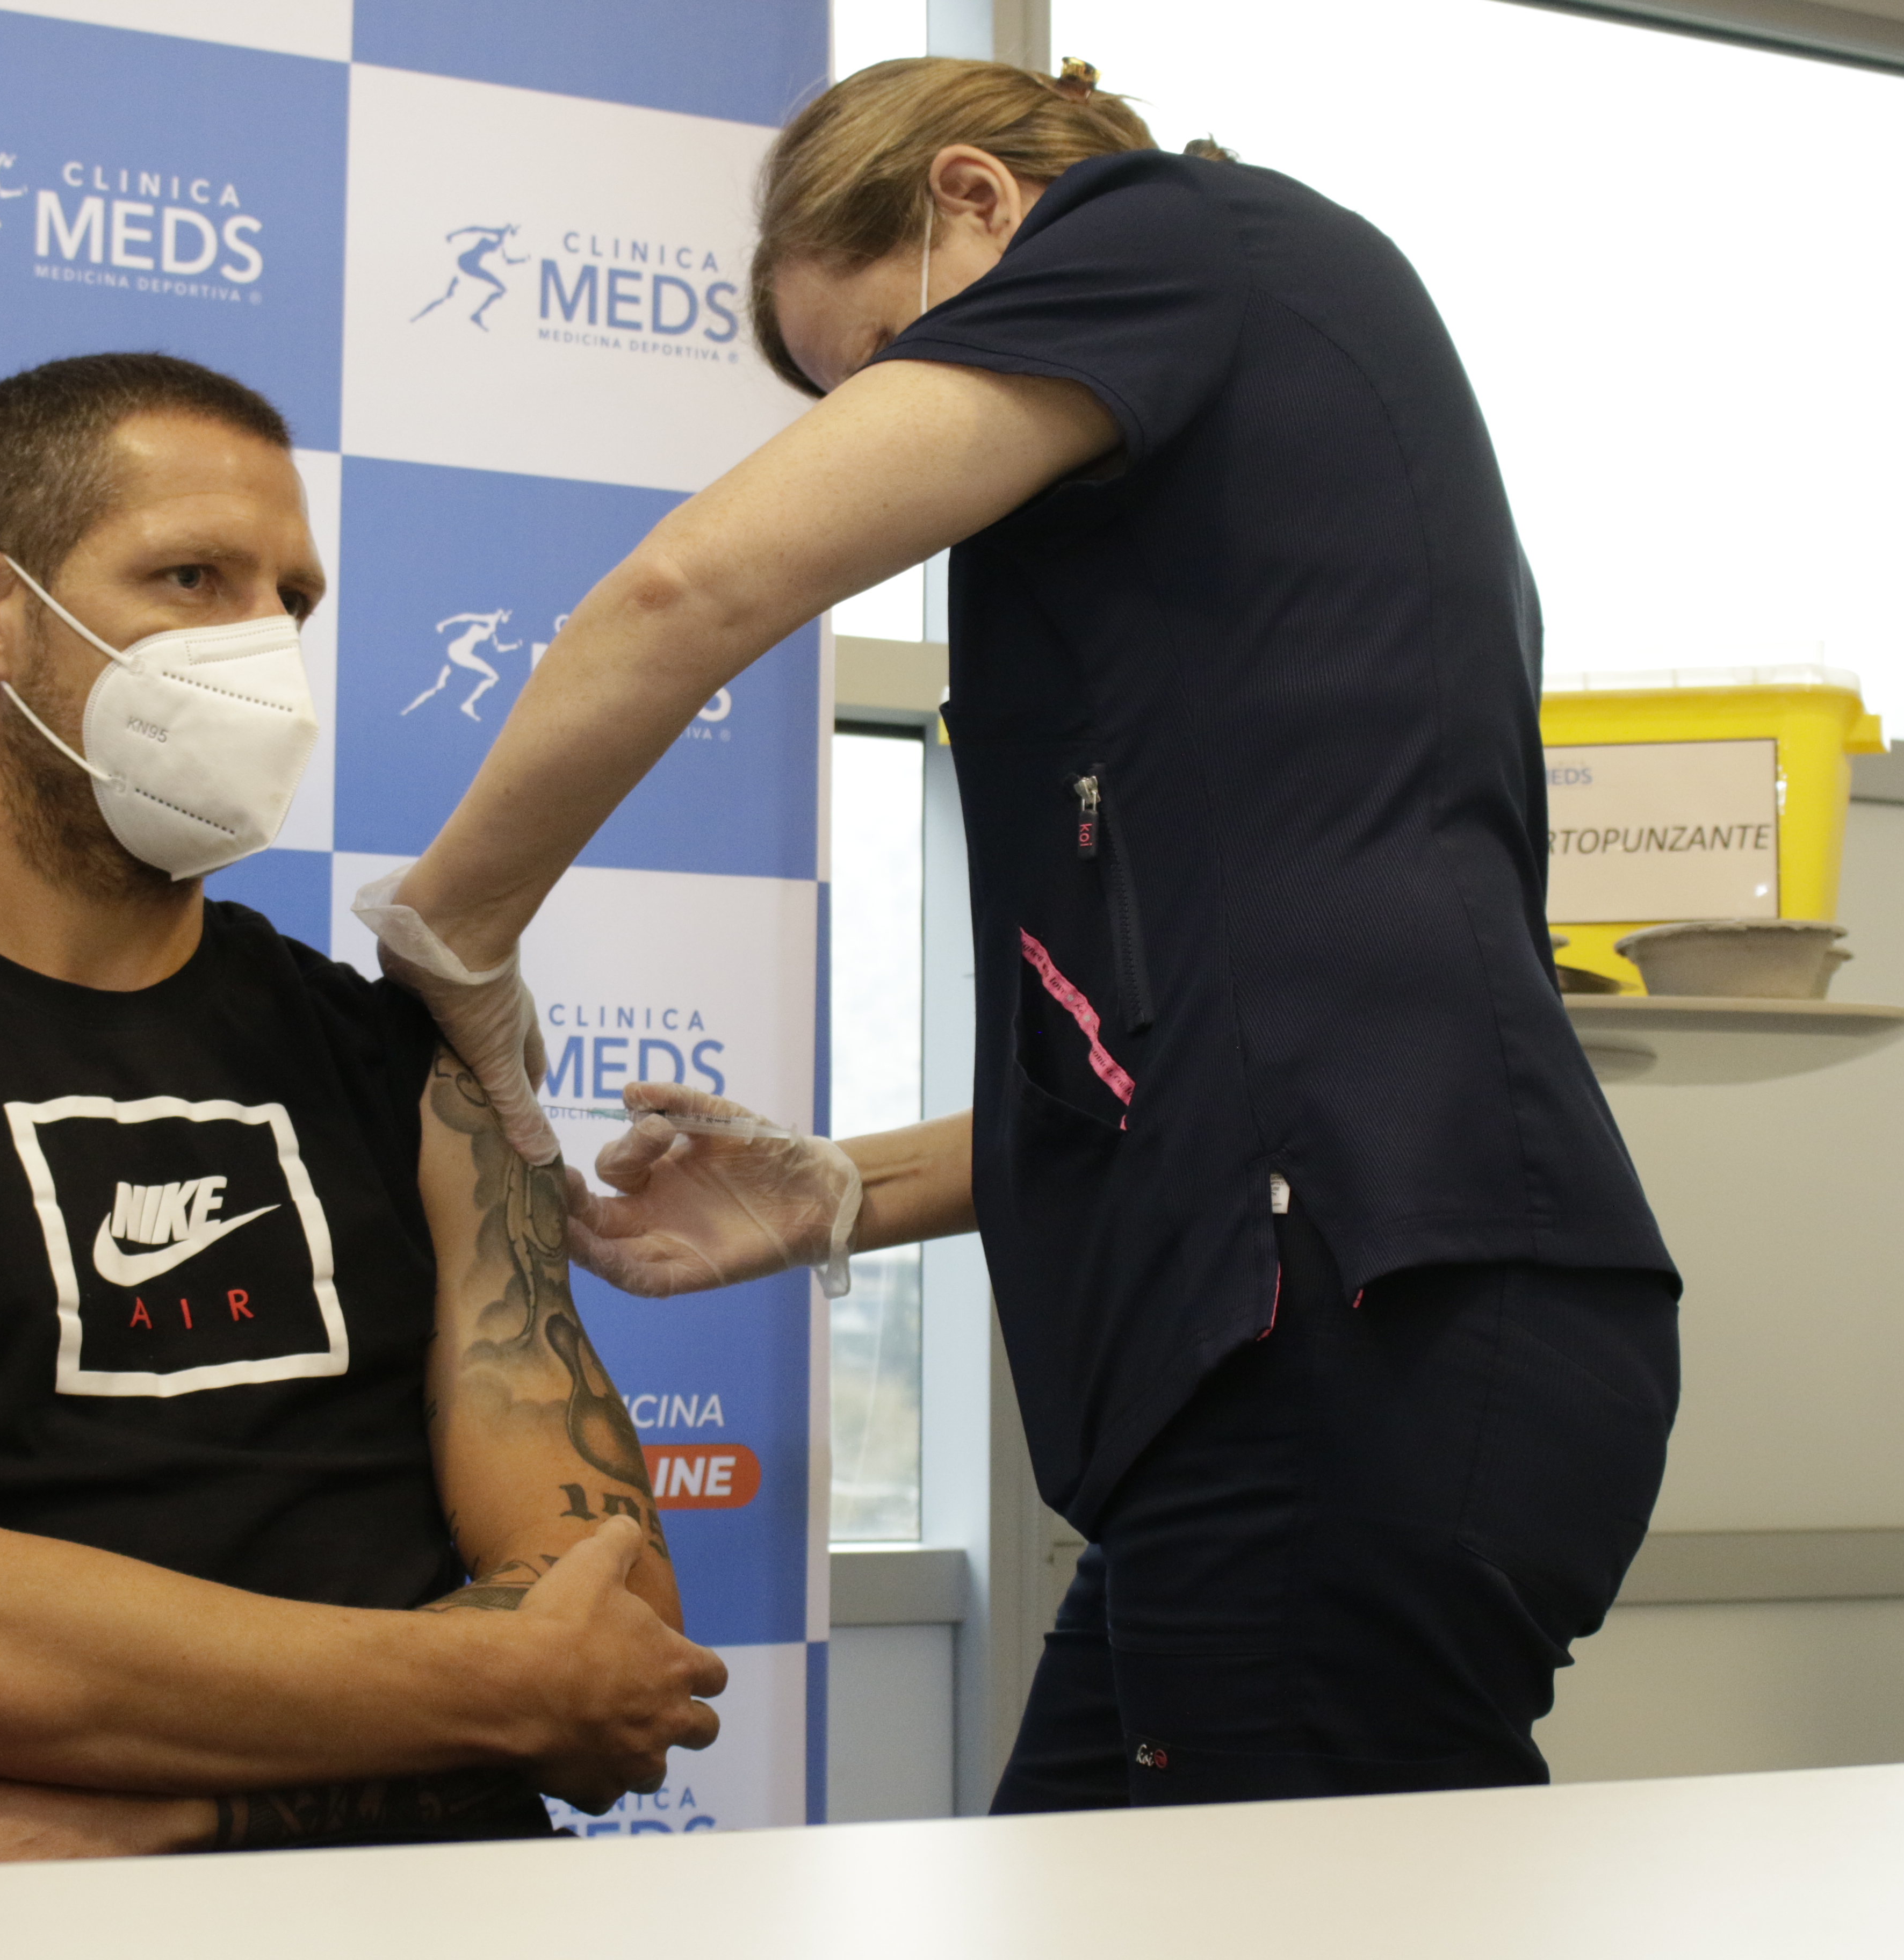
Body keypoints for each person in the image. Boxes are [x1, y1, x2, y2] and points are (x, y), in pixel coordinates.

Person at [358, 59, 1681, 1810]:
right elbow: (1200, 1052)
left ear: (977, 200)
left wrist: (455, 935)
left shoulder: (1177, 239)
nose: (900, 435)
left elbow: (690, 589)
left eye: (885, 375)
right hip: (1313, 1357)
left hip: (1363, 1339)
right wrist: (844, 1191)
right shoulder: (1207, 545)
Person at [0, 354, 723, 1870]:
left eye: (291, 604)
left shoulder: (409, 1058)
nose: (259, 648)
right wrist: (498, 1691)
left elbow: (616, 1647)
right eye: (191, 578)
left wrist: (172, 1811)